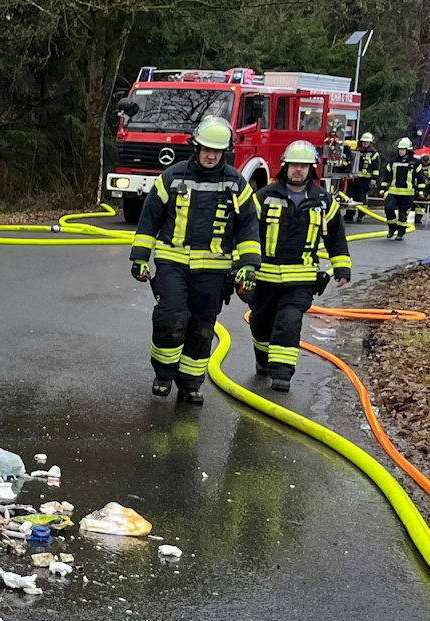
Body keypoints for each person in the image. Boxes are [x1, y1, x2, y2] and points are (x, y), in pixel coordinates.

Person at [127, 115, 260, 405]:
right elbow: (150, 218)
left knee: (202, 328)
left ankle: (190, 384)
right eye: (206, 149)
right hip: (172, 263)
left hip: (213, 270)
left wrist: (249, 264)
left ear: (225, 152)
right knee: (171, 318)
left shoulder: (237, 185)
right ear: (196, 148)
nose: (211, 155)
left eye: (217, 151)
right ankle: (163, 375)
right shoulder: (172, 178)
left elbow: (249, 225)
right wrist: (140, 257)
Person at [246, 140, 351, 393]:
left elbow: (336, 237)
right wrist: (242, 265)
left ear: (312, 170)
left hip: (300, 279)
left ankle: (281, 375)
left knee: (289, 322)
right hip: (265, 277)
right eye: (294, 165)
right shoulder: (264, 197)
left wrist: (342, 268)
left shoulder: (323, 201)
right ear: (285, 166)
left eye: (304, 167)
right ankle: (263, 360)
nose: (298, 171)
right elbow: (247, 233)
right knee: (261, 323)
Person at [382, 137, 421, 239]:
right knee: (388, 208)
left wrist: (421, 191)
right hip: (393, 191)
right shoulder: (393, 161)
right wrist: (383, 188)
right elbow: (386, 175)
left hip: (408, 193)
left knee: (403, 215)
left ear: (408, 150)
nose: (400, 151)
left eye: (403, 149)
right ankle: (392, 228)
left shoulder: (415, 163)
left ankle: (400, 233)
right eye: (399, 149)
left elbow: (421, 177)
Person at [344, 131, 381, 223]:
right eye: (364, 141)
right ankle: (349, 214)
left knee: (361, 197)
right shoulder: (356, 150)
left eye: (367, 142)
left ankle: (361, 214)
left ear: (370, 143)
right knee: (351, 196)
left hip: (365, 179)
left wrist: (374, 179)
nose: (365, 143)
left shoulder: (373, 153)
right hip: (354, 178)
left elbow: (376, 167)